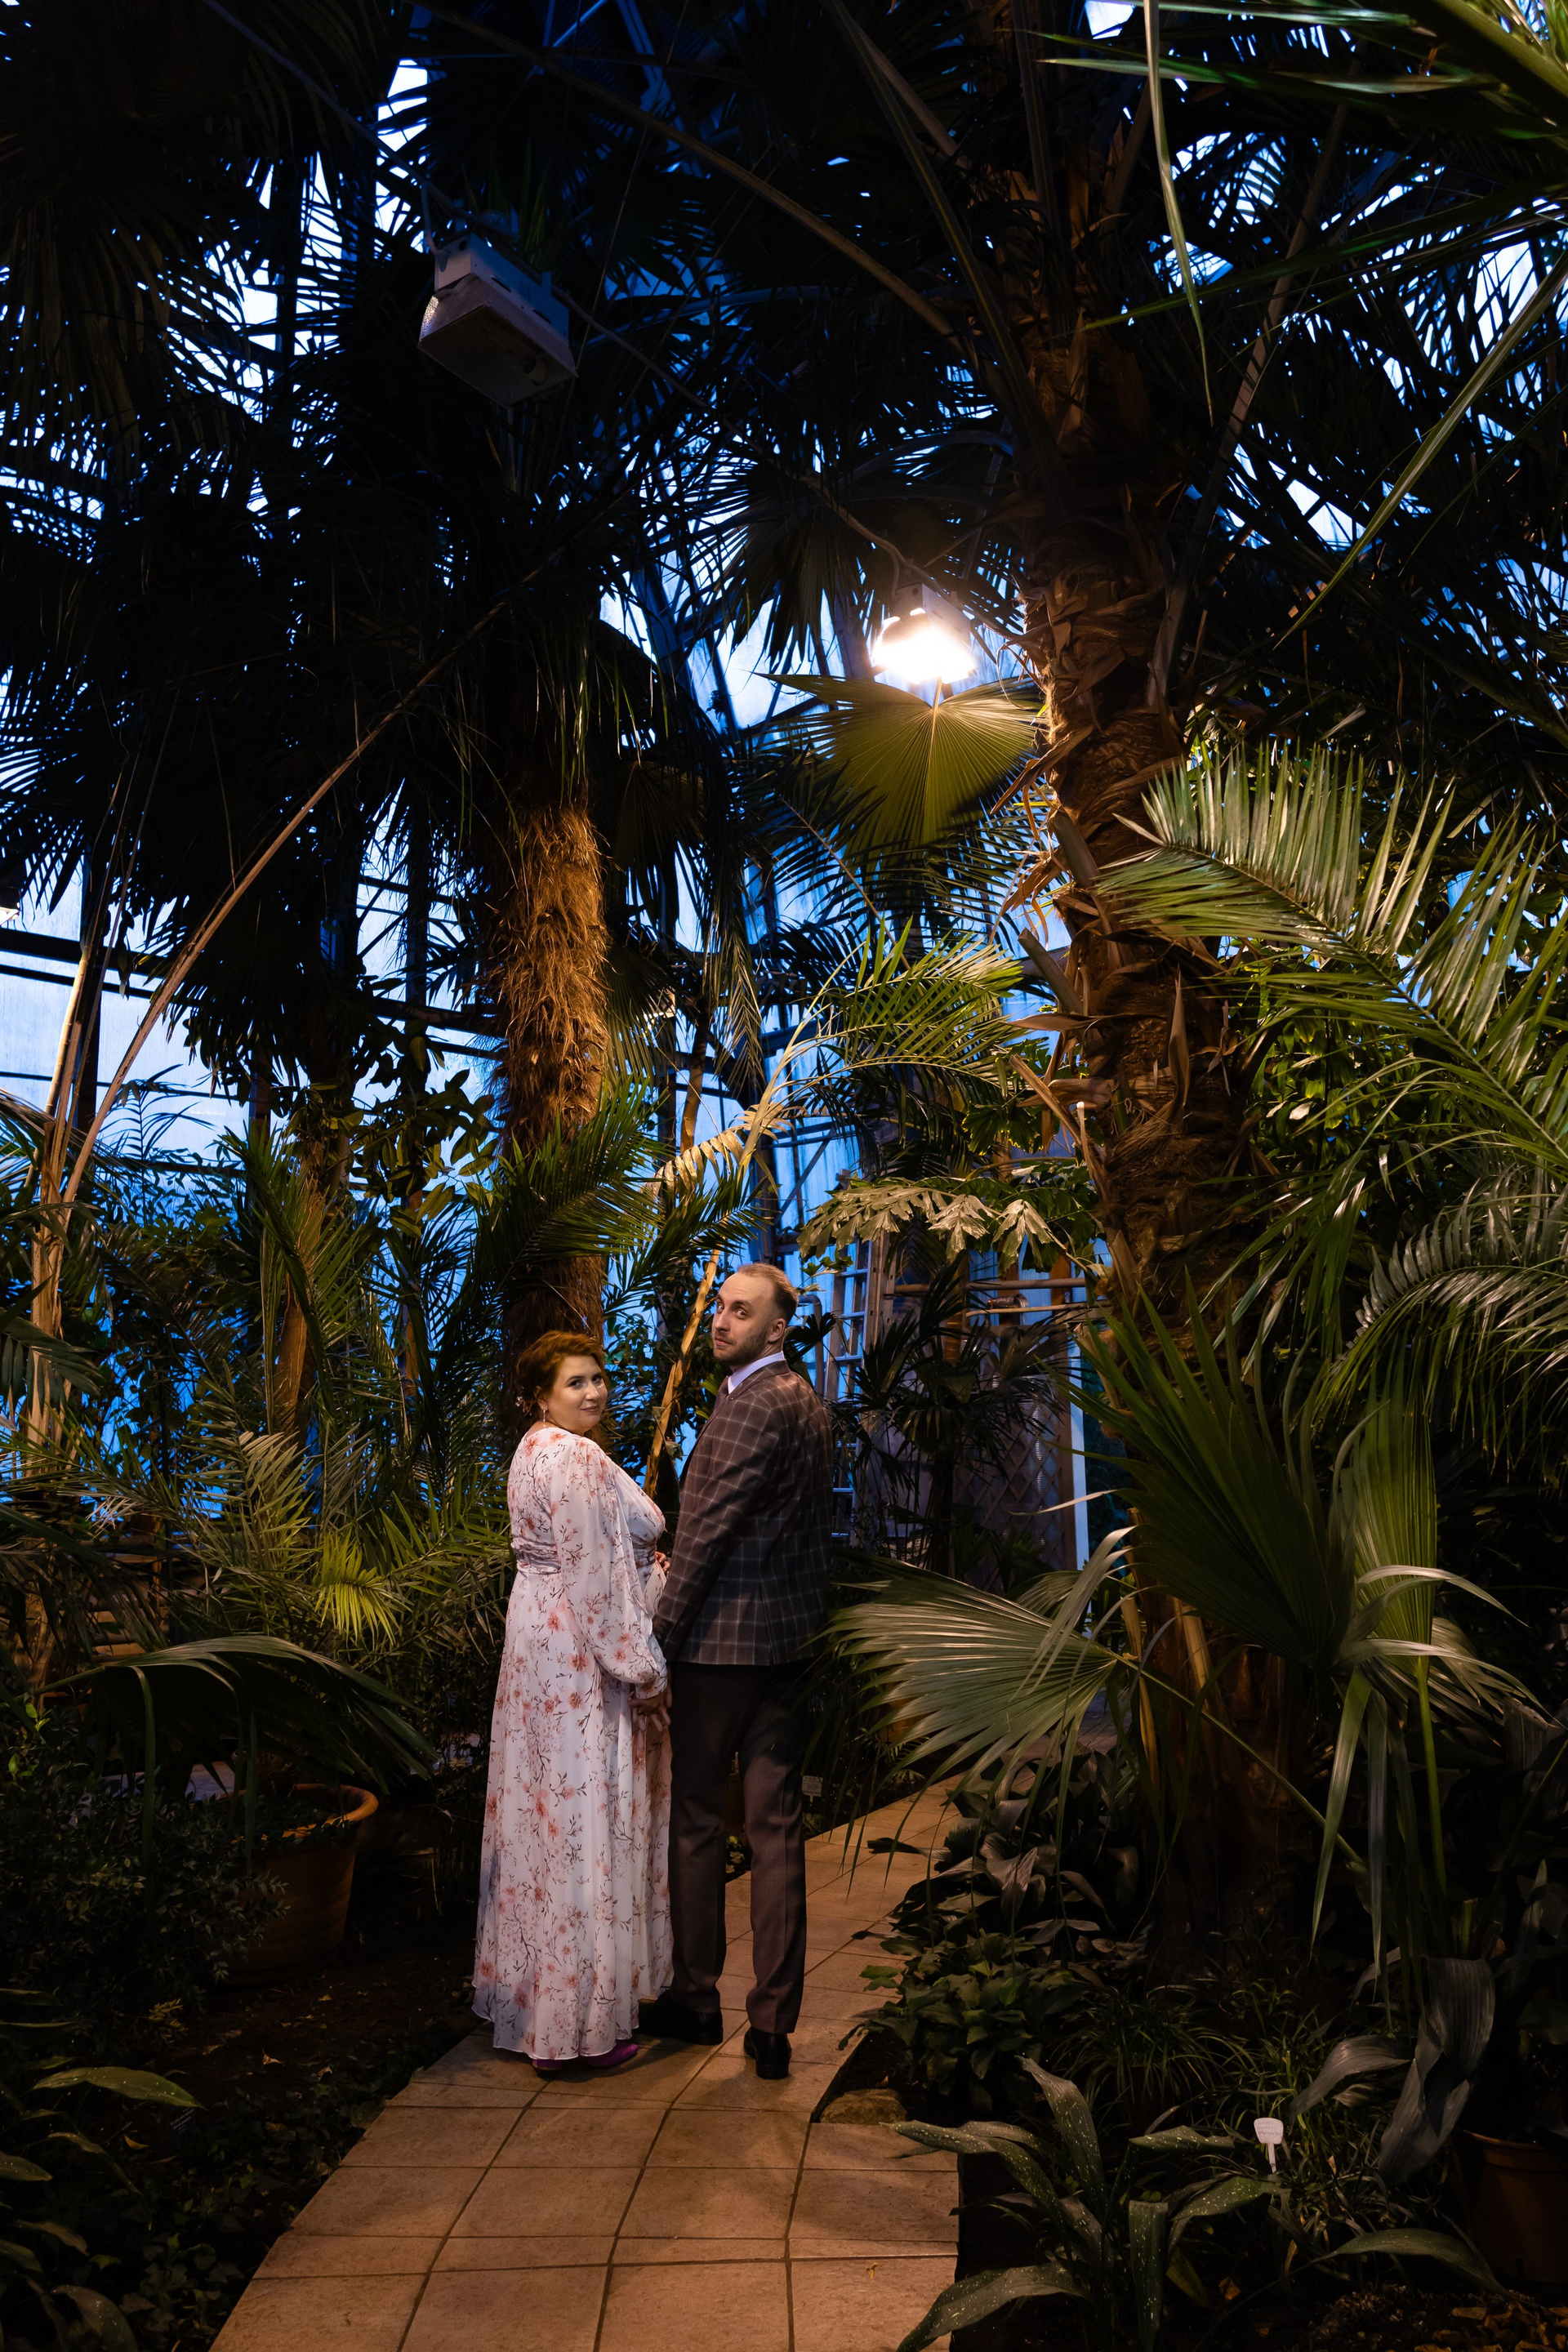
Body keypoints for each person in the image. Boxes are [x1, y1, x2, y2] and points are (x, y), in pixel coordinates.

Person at [642, 1263, 834, 2080]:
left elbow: (708, 1533)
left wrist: (655, 1641)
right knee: (774, 1828)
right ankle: (773, 2028)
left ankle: (694, 1997)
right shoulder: (804, 1399)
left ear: (776, 1329)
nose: (720, 1321)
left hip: (720, 1652)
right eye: (721, 1306)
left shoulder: (752, 1404)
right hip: (789, 1647)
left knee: (694, 1819)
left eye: (741, 1312)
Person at [473, 1330, 672, 2071]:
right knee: (582, 1823)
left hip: (535, 1644)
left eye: (598, 1378)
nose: (593, 1392)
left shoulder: (533, 1449)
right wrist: (643, 1671)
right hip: (577, 1655)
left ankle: (537, 2009)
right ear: (540, 1396)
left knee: (543, 1823)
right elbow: (595, 1581)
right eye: (575, 1383)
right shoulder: (576, 1457)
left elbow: (610, 1541)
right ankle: (573, 2033)